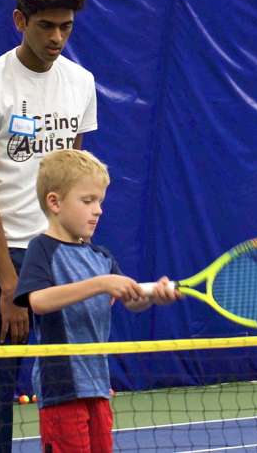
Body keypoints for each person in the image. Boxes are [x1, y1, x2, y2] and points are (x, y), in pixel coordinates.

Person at [0, 0, 94, 450]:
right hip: (0, 261)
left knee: (68, 390)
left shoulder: (81, 83)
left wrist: (78, 252)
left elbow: (71, 180)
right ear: (20, 21)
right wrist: (11, 287)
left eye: (66, 27)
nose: (57, 37)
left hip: (57, 258)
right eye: (45, 26)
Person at [14, 149, 181, 452]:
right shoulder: (41, 249)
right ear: (55, 202)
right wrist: (100, 284)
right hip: (61, 388)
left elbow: (129, 299)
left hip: (99, 385)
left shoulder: (101, 257)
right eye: (87, 201)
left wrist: (153, 296)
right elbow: (37, 301)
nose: (98, 210)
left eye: (100, 201)